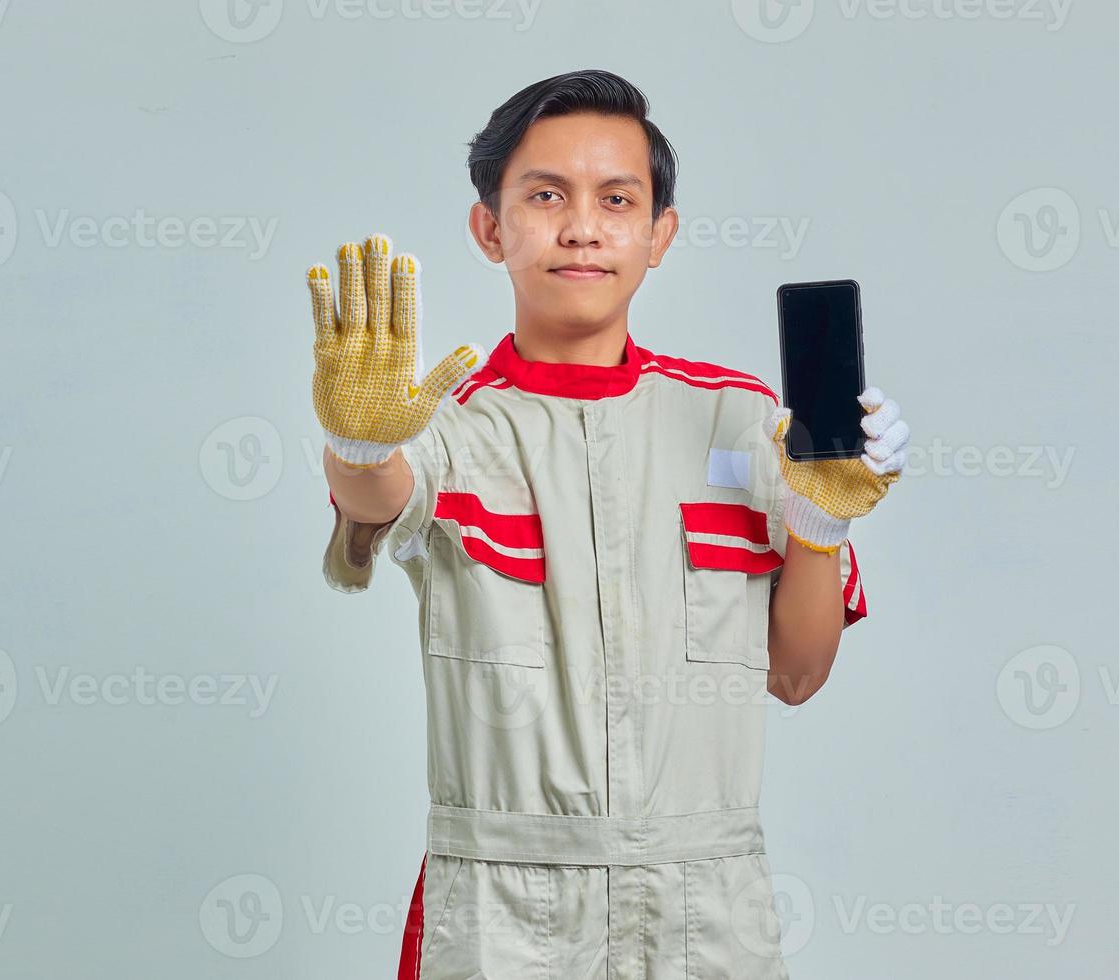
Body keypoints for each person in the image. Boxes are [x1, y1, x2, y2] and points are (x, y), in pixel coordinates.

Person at [307, 69, 910, 980]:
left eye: (617, 199)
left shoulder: (746, 424)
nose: (582, 226)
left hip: (707, 906)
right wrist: (356, 441)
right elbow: (379, 494)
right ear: (489, 227)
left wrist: (819, 528)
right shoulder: (444, 422)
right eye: (545, 195)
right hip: (506, 906)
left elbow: (795, 673)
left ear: (659, 233)